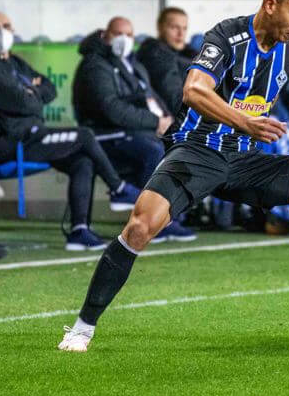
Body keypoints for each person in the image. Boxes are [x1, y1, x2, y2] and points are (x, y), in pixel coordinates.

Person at [58, 0, 289, 353]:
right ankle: (82, 328)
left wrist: (258, 128)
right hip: (198, 152)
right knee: (140, 227)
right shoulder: (227, 37)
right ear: (270, 4)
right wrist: (246, 122)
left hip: (245, 160)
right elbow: (194, 91)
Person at [0, 12, 142, 251]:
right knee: (84, 136)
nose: (1, 32)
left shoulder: (14, 63)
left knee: (82, 160)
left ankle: (79, 231)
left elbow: (49, 89)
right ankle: (118, 188)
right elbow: (24, 103)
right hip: (10, 144)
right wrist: (29, 90)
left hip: (32, 136)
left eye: (6, 26)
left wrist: (30, 91)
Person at [73, 16, 197, 243]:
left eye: (129, 35)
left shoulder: (133, 64)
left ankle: (165, 219)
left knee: (177, 145)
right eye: (118, 34)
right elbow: (111, 109)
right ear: (105, 35)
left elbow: (151, 97)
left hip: (133, 131)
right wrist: (153, 122)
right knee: (154, 150)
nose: (124, 40)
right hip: (103, 133)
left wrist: (166, 121)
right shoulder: (95, 65)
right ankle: (150, 223)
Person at [136, 7, 198, 116]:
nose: (181, 34)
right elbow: (175, 100)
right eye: (174, 27)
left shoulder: (189, 53)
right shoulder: (155, 54)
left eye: (184, 28)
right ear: (160, 27)